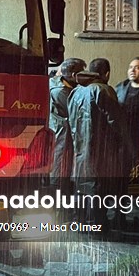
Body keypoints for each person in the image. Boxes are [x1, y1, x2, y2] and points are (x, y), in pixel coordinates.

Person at [67, 58, 131, 227]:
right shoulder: (103, 90)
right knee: (98, 189)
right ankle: (97, 226)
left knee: (82, 189)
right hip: (100, 151)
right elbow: (116, 122)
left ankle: (80, 222)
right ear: (107, 73)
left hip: (80, 150)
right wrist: (125, 145)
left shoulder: (76, 91)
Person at [49, 57, 86, 191]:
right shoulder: (63, 92)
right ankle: (60, 206)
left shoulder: (53, 83)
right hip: (63, 139)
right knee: (60, 172)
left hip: (58, 136)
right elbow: (78, 115)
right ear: (74, 76)